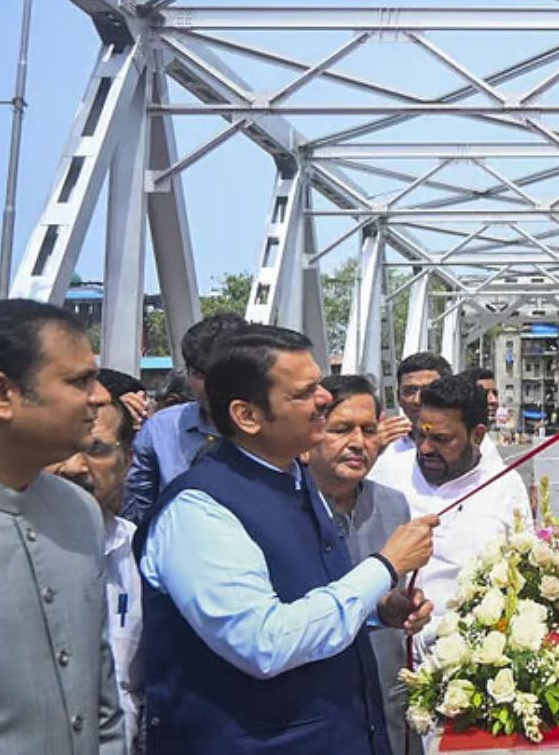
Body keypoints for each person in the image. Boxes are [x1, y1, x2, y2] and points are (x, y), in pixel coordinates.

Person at [135, 326, 439, 754]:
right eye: (305, 392)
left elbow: (301, 599)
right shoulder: (198, 510)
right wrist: (384, 568)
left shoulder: (294, 480)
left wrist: (377, 610)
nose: (324, 398)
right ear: (247, 416)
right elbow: (264, 643)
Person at [0, 299, 126, 754]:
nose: (100, 396)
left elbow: (101, 695)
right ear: (0, 394)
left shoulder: (80, 511)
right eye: (79, 381)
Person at [301, 374, 419, 755]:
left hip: (387, 704)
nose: (358, 443)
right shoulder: (285, 509)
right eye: (341, 429)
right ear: (309, 437)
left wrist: (400, 608)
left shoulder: (392, 505)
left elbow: (388, 601)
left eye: (369, 430)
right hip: (314, 714)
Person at [369, 375, 531, 607]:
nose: (425, 448)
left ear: (477, 435)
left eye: (441, 439)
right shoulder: (386, 472)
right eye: (420, 435)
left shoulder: (505, 485)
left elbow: (523, 569)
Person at [48, 394, 145, 752]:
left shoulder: (140, 552)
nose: (74, 466)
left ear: (127, 460)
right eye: (61, 448)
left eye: (96, 449)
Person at [121, 313, 247, 524]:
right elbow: (136, 511)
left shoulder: (280, 427)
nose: (212, 386)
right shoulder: (160, 429)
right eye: (200, 375)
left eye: (223, 374)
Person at [376, 352, 452, 462]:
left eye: (428, 390)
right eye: (409, 391)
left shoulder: (470, 445)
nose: (417, 400)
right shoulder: (381, 449)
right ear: (398, 398)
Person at [457, 366, 503, 466]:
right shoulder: (456, 448)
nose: (494, 400)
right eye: (485, 394)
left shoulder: (487, 445)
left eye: (495, 393)